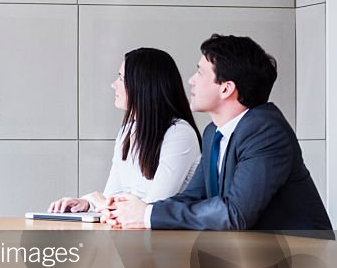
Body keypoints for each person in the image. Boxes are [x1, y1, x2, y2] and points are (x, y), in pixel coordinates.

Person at [107, 34, 332, 233]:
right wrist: (140, 212)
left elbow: (236, 213)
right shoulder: (214, 132)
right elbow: (192, 197)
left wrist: (148, 215)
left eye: (200, 73)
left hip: (299, 260)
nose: (190, 81)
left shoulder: (265, 131)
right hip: (253, 258)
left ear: (226, 88)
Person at [48, 48, 200, 214]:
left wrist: (98, 200)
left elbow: (153, 207)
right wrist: (87, 203)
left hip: (162, 237)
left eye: (121, 78)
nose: (113, 84)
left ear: (143, 85)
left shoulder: (179, 134)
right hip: (130, 233)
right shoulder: (127, 131)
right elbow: (111, 196)